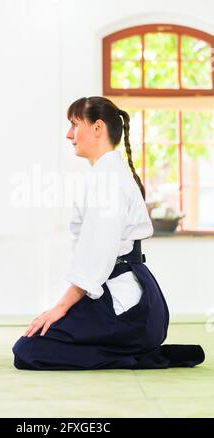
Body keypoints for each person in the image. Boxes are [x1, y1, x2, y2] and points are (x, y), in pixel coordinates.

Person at [12, 96, 205, 370]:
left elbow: (98, 256)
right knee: (36, 339)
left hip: (130, 312)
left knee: (28, 350)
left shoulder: (109, 182)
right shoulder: (106, 176)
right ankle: (138, 351)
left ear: (97, 128)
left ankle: (138, 355)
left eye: (74, 124)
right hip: (132, 306)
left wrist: (60, 307)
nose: (69, 135)